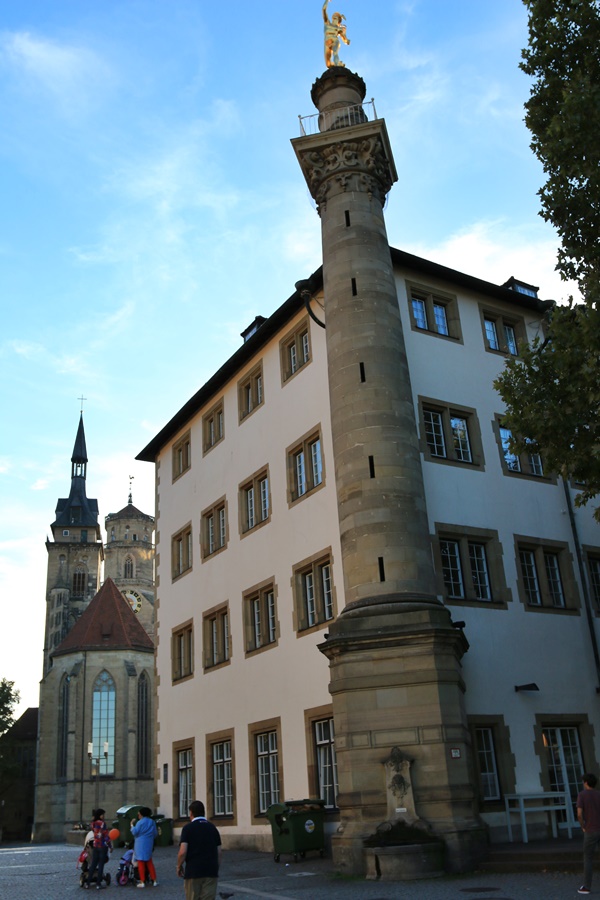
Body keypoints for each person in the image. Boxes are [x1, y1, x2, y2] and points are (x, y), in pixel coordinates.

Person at [176, 800, 222, 900]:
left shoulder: (188, 828)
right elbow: (219, 852)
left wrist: (179, 865)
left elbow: (183, 851)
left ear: (191, 813)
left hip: (194, 871)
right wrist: (216, 867)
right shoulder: (212, 828)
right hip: (210, 871)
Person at [577, 772, 600, 894]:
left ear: (586, 782)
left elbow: (579, 814)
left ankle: (586, 886)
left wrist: (582, 826)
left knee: (588, 858)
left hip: (590, 829)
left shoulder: (582, 795)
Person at [131, 806, 159, 888]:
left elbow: (135, 832)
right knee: (149, 862)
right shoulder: (152, 822)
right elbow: (155, 833)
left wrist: (132, 825)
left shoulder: (140, 822)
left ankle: (142, 881)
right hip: (149, 843)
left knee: (141, 863)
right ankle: (154, 880)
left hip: (140, 844)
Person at [85, 808, 112, 890]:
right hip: (102, 846)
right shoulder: (102, 824)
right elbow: (106, 836)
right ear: (100, 815)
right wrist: (110, 846)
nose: (104, 816)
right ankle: (98, 884)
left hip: (95, 845)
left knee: (93, 865)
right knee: (100, 866)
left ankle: (87, 883)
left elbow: (94, 832)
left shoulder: (93, 824)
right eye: (103, 814)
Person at [322, 0, 350, 68]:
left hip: (335, 40)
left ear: (338, 21)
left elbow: (345, 40)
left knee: (335, 52)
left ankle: (337, 64)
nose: (334, 18)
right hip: (327, 41)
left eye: (336, 18)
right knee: (328, 64)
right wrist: (327, 1)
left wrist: (346, 36)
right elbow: (324, 10)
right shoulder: (327, 23)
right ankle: (337, 64)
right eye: (333, 17)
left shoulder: (340, 29)